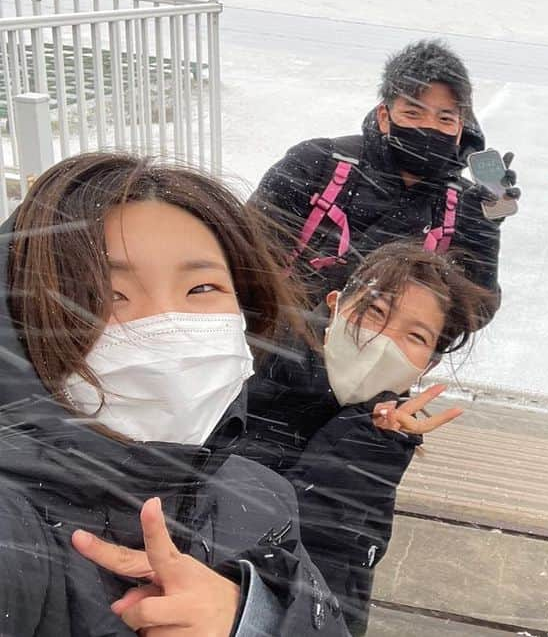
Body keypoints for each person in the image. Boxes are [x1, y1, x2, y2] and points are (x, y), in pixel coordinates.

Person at [0, 152, 351, 636]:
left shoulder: (264, 498)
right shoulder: (12, 529)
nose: (164, 321)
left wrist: (254, 620)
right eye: (106, 296)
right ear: (24, 324)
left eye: (202, 287)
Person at [234, 240, 493, 633]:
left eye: (416, 337)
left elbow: (335, 585)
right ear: (336, 305)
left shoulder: (379, 437)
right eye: (375, 312)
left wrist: (364, 447)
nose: (383, 341)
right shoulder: (247, 371)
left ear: (428, 365)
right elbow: (241, 532)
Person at [251, 39, 517, 314]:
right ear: (384, 116)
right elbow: (243, 261)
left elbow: (473, 313)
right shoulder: (315, 164)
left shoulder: (462, 204)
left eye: (445, 119)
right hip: (285, 345)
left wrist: (482, 233)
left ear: (460, 128)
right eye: (413, 113)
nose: (429, 127)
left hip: (390, 355)